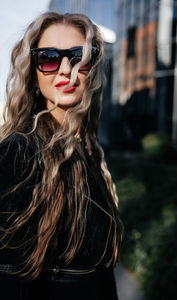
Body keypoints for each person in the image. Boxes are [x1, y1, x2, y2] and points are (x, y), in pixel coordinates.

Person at [0, 12, 122, 300]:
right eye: (49, 58)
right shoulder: (19, 154)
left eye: (79, 56)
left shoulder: (88, 152)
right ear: (33, 72)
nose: (66, 69)